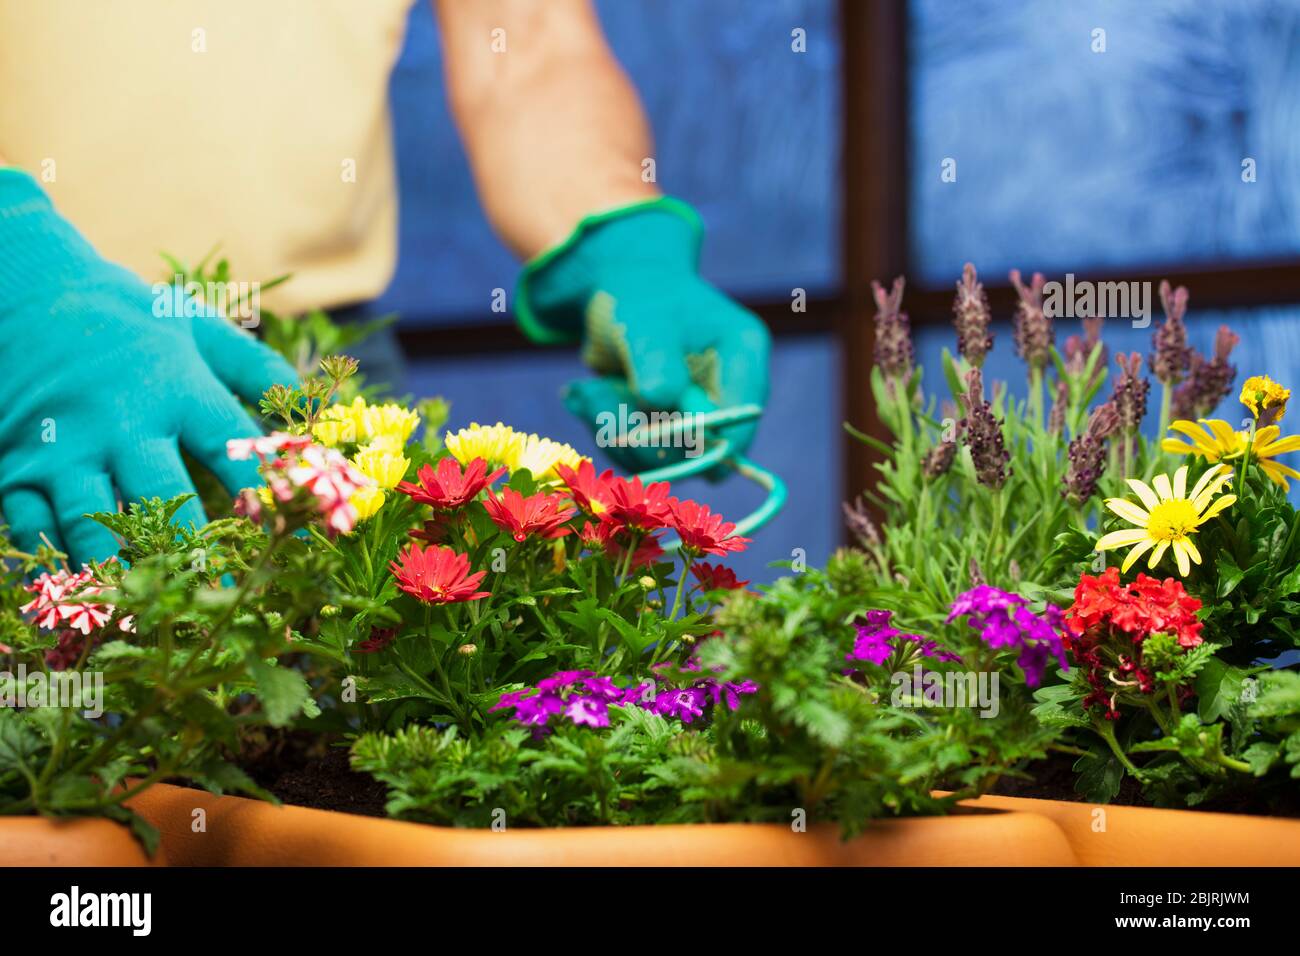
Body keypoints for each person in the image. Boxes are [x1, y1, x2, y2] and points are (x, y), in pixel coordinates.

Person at [0, 0, 770, 564]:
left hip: (317, 365)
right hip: (39, 369)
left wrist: (619, 238)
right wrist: (18, 268)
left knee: (352, 733)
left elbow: (523, 37)